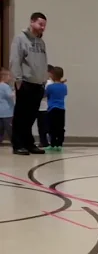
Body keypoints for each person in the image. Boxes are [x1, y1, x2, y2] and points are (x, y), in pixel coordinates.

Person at [9, 12, 48, 155]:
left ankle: (28, 143)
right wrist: (17, 80)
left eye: (44, 25)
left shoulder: (41, 42)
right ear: (32, 22)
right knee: (21, 116)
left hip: (38, 84)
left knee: (31, 116)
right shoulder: (20, 39)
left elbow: (43, 63)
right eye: (40, 24)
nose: (42, 27)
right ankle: (18, 144)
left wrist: (43, 80)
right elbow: (15, 60)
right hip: (25, 82)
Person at [45, 66, 67, 150]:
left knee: (52, 127)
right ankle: (59, 144)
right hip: (61, 109)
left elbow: (45, 94)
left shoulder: (50, 87)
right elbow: (64, 94)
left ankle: (53, 144)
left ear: (53, 75)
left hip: (52, 109)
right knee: (60, 127)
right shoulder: (64, 87)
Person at [38, 64, 54, 149]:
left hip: (46, 107)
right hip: (39, 107)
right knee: (41, 126)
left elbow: (45, 94)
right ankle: (42, 141)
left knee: (47, 126)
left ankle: (50, 142)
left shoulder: (50, 83)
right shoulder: (40, 81)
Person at [0, 68, 15, 144]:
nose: (10, 77)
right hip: (7, 112)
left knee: (1, 129)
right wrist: (15, 92)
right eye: (9, 75)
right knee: (10, 129)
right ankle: (14, 141)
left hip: (0, 112)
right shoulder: (6, 86)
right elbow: (10, 95)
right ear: (4, 76)